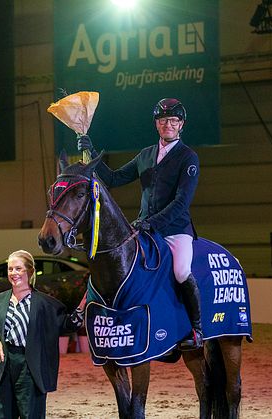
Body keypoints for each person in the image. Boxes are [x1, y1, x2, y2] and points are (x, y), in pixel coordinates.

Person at [77, 97, 204, 350]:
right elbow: (113, 179)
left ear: (181, 125)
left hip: (175, 230)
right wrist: (92, 154)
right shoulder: (146, 154)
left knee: (181, 271)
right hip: (144, 227)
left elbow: (181, 203)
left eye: (173, 120)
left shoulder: (188, 158)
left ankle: (197, 329)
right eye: (163, 120)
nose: (168, 124)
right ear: (156, 124)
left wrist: (152, 222)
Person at [0, 250, 85, 418]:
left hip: (30, 367)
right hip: (3, 366)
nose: (13, 273)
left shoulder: (44, 303)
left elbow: (67, 324)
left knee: (31, 414)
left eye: (18, 269)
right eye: (10, 269)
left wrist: (82, 306)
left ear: (30, 272)